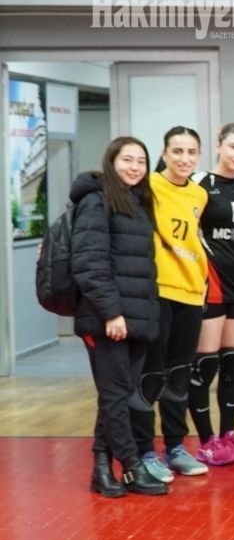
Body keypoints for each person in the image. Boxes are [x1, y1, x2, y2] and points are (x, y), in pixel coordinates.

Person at [73, 136, 168, 497]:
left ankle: (101, 467)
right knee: (116, 396)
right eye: (127, 159)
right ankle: (131, 466)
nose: (135, 167)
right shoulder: (97, 201)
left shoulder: (137, 201)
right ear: (111, 162)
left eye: (141, 161)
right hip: (108, 320)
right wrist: (111, 313)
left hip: (136, 318)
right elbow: (90, 264)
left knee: (117, 394)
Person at [132, 126, 210, 482]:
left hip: (191, 293)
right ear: (164, 153)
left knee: (179, 374)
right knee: (151, 374)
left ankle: (175, 447)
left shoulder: (199, 194)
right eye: (177, 151)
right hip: (158, 292)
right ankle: (145, 450)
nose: (184, 158)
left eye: (191, 152)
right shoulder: (146, 186)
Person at [190, 123, 234, 466]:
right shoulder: (199, 184)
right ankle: (206, 441)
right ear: (218, 146)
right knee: (205, 366)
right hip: (211, 284)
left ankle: (228, 436)